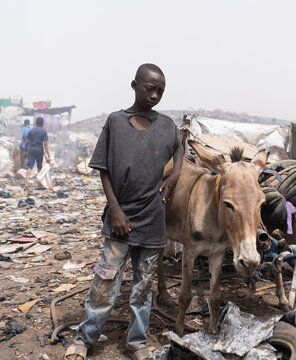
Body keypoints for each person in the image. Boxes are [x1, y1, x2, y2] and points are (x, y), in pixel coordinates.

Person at [64, 63, 185, 360]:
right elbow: (103, 169)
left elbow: (180, 147)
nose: (155, 95)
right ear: (134, 85)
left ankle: (136, 341)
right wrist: (115, 209)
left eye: (160, 91)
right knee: (106, 279)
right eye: (149, 89)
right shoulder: (116, 122)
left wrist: (175, 174)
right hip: (122, 217)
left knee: (143, 286)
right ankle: (86, 337)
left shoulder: (167, 125)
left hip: (153, 218)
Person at [24, 117, 50, 190]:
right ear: (42, 123)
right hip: (39, 150)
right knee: (39, 167)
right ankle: (39, 184)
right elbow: (45, 144)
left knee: (29, 166)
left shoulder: (31, 131)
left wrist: (25, 150)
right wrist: (48, 155)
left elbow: (27, 142)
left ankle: (26, 183)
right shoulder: (44, 132)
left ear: (36, 123)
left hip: (31, 149)